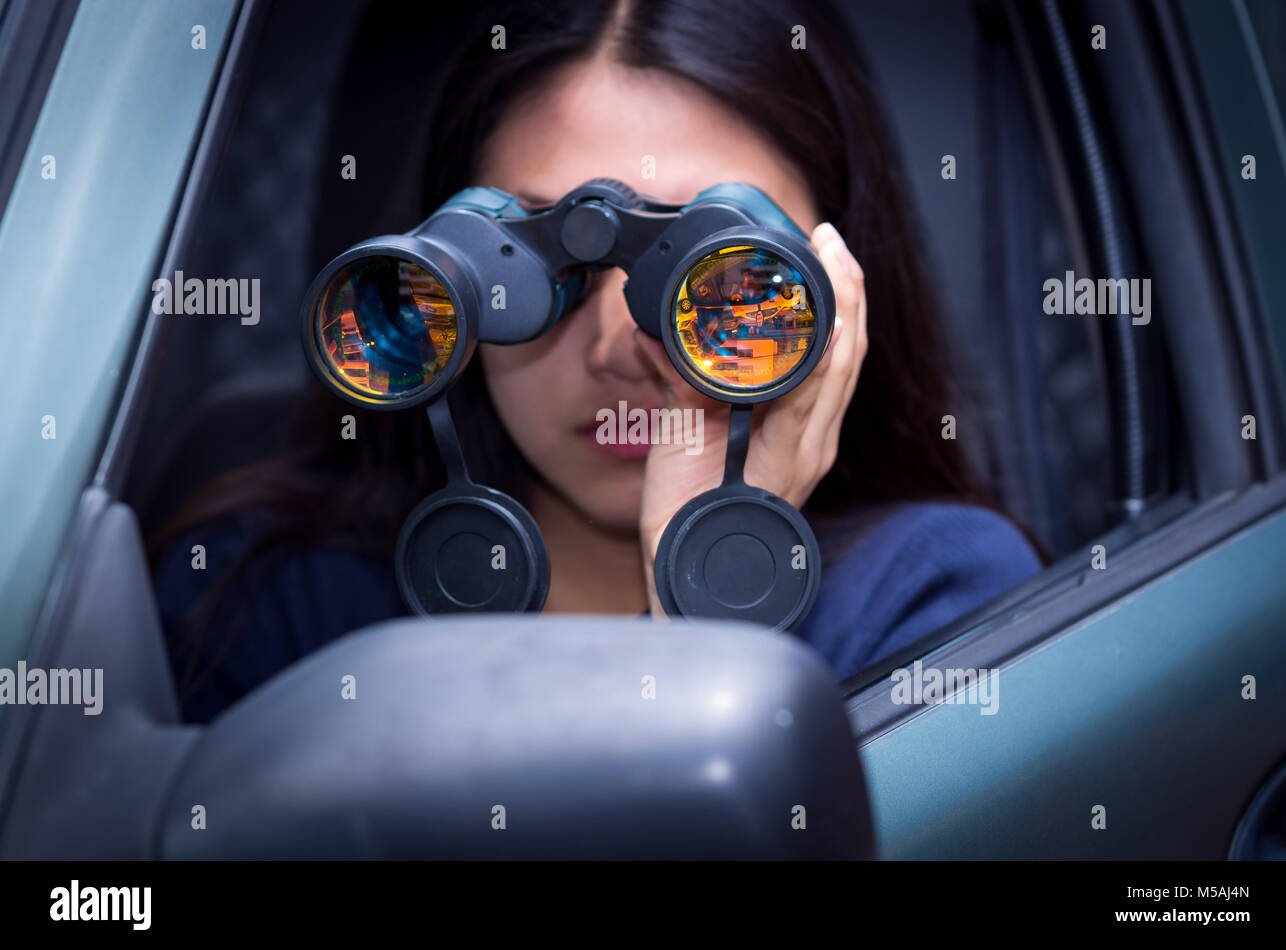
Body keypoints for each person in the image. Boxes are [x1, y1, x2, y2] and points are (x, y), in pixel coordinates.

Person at [151, 0, 1042, 724]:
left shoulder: (930, 596)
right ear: (441, 283)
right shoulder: (276, 602)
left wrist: (709, 592)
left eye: (720, 276)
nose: (622, 350)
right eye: (535, 272)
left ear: (839, 286)